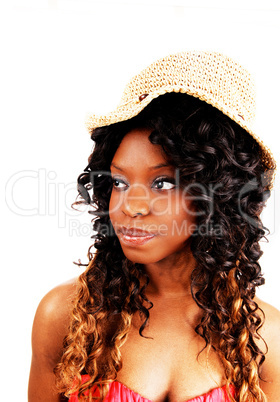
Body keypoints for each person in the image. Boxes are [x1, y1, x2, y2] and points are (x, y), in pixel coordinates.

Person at [28, 51, 280, 402]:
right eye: (119, 182)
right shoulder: (64, 317)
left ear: (219, 194)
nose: (130, 206)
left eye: (162, 183)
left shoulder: (266, 339)